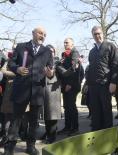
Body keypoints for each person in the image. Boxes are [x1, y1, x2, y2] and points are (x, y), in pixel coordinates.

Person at [3, 26, 53, 155]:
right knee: (16, 119)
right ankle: (10, 147)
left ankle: (30, 146)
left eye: (45, 34)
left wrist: (50, 73)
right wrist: (17, 69)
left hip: (37, 90)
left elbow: (51, 70)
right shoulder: (21, 47)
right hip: (21, 88)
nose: (42, 36)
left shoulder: (47, 51)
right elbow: (11, 63)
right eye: (40, 33)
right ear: (33, 33)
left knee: (34, 120)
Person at [87, 26, 118, 131]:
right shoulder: (92, 51)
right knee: (95, 110)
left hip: (105, 84)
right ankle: (96, 132)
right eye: (95, 34)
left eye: (99, 33)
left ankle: (107, 132)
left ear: (103, 33)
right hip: (93, 85)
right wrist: (88, 83)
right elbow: (90, 68)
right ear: (92, 35)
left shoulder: (110, 46)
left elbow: (115, 66)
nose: (97, 36)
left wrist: (113, 82)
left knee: (106, 109)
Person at [57, 38, 84, 136]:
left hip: (72, 86)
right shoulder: (64, 54)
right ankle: (67, 127)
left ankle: (75, 128)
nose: (65, 44)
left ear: (72, 44)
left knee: (71, 106)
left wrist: (70, 84)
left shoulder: (75, 53)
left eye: (67, 42)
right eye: (64, 42)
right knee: (66, 107)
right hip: (65, 85)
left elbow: (75, 70)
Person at [40, 44, 61, 144]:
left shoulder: (58, 62)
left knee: (52, 114)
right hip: (44, 89)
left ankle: (52, 136)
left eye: (52, 51)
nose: (50, 53)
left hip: (53, 90)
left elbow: (64, 74)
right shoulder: (43, 62)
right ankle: (48, 132)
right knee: (46, 113)